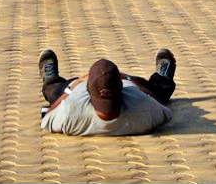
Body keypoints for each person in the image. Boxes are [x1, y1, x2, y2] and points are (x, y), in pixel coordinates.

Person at [38, 49, 176, 136]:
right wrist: (131, 81)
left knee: (54, 91)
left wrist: (74, 86)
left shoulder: (71, 111)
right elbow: (164, 110)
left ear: (87, 91)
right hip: (128, 84)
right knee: (159, 91)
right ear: (122, 89)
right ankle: (162, 76)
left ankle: (50, 79)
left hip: (77, 87)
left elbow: (47, 117)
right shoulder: (143, 106)